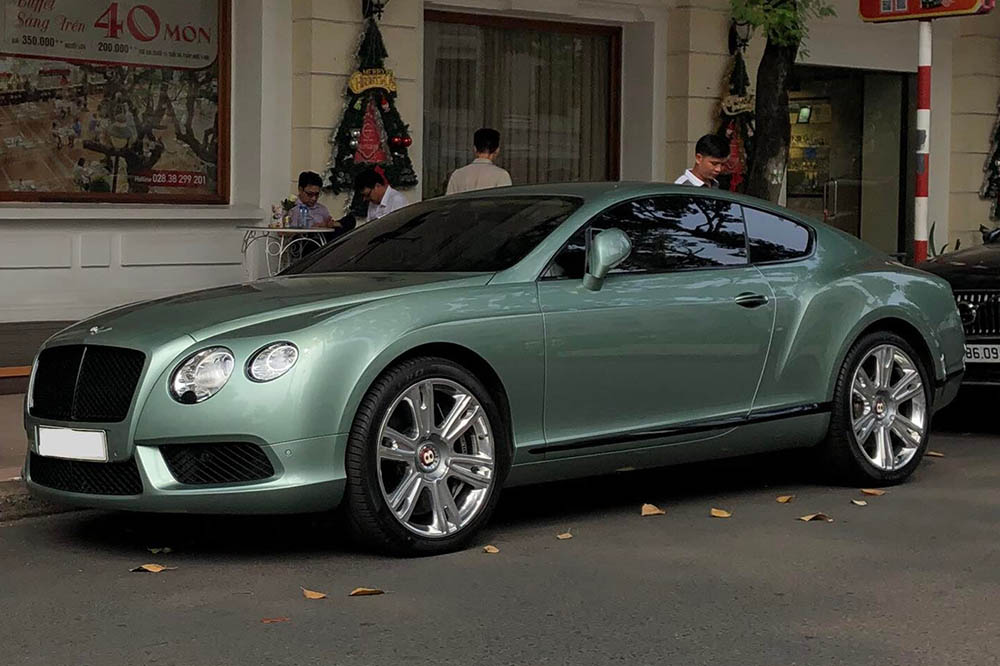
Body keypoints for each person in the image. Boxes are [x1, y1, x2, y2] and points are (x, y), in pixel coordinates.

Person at [445, 127, 512, 195]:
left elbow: (449, 203)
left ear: (474, 148)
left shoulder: (458, 174)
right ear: (497, 150)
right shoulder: (502, 175)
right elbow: (504, 203)